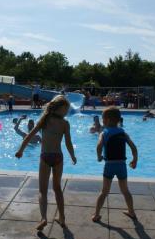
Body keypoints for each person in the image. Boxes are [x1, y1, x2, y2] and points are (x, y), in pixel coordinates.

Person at [15, 95, 77, 230]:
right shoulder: (65, 123)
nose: (67, 112)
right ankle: (62, 218)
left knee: (42, 191)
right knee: (57, 189)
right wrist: (72, 156)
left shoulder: (45, 120)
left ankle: (43, 218)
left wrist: (21, 150)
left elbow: (29, 135)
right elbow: (68, 143)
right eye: (66, 109)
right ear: (59, 109)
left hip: (45, 157)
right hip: (58, 157)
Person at [92, 106, 138, 222]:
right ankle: (131, 212)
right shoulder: (123, 132)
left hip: (109, 165)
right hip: (122, 165)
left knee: (104, 192)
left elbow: (98, 147)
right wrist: (134, 160)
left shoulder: (104, 133)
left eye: (103, 119)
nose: (102, 121)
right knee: (125, 190)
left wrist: (99, 157)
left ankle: (96, 215)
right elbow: (133, 147)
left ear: (107, 120)